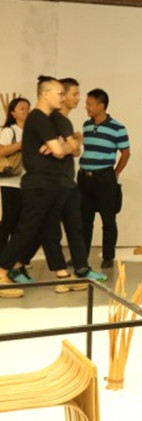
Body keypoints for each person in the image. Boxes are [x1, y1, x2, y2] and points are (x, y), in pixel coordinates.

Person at [0, 76, 83, 298]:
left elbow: (71, 147)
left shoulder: (47, 119)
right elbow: (59, 151)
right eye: (59, 94)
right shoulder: (38, 118)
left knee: (50, 230)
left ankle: (62, 275)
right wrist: (63, 146)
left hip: (49, 185)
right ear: (45, 94)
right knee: (27, 230)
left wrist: (66, 144)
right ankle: (1, 272)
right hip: (39, 185)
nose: (63, 98)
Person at [47, 78, 107, 282]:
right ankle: (13, 266)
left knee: (75, 225)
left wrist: (72, 144)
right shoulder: (52, 120)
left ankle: (81, 267)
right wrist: (70, 145)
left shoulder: (65, 121)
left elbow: (74, 151)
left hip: (68, 182)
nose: (79, 99)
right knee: (45, 230)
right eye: (75, 94)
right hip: (53, 183)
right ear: (62, 96)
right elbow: (56, 150)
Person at [78, 88, 130, 269]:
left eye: (90, 104)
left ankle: (108, 256)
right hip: (84, 178)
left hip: (104, 178)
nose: (86, 107)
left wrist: (115, 173)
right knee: (84, 220)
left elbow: (125, 153)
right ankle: (81, 257)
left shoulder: (118, 128)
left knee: (108, 220)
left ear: (101, 106)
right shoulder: (86, 125)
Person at [0, 97, 30, 255]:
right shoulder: (9, 131)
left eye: (28, 108)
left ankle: (15, 256)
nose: (26, 111)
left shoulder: (32, 131)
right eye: (22, 108)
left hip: (27, 182)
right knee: (9, 220)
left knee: (22, 222)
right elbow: (1, 151)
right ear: (13, 113)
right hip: (10, 182)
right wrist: (20, 144)